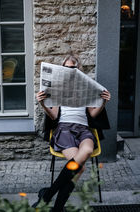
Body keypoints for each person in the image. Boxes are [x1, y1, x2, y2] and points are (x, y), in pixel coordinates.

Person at [34, 54, 111, 212]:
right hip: (65, 129)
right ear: (63, 69)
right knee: (80, 168)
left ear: (78, 69)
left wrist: (104, 101)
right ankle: (57, 207)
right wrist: (42, 103)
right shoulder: (57, 88)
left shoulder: (85, 88)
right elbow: (54, 116)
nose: (70, 70)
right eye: (67, 68)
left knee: (88, 149)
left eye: (73, 68)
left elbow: (93, 115)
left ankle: (47, 195)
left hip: (83, 130)